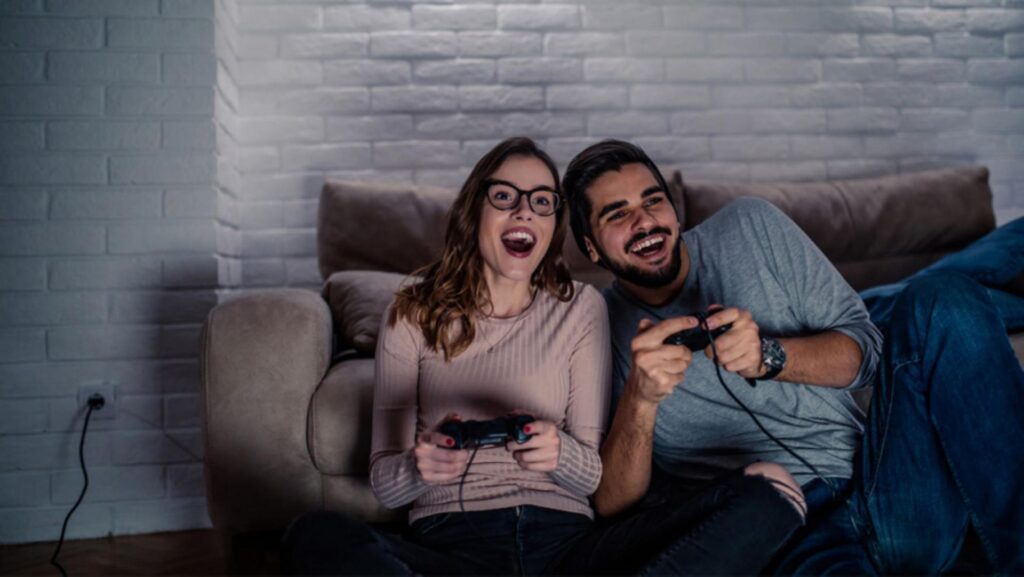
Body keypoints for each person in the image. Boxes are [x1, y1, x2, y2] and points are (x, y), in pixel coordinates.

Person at [282, 137, 804, 576]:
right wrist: (420, 466)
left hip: (569, 549)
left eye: (541, 201)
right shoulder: (412, 310)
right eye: (506, 196)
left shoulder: (581, 308)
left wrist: (561, 453)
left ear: (554, 226)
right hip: (453, 547)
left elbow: (594, 481)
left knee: (772, 491)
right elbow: (385, 483)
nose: (523, 211)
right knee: (313, 534)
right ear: (475, 210)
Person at [562, 138, 1024, 576]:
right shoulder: (595, 326)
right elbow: (612, 506)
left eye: (652, 200)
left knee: (946, 297)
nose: (644, 222)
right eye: (616, 214)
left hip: (886, 481)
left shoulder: (751, 226)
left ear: (674, 207)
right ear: (590, 247)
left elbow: (867, 354)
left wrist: (770, 356)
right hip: (789, 531)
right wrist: (639, 401)